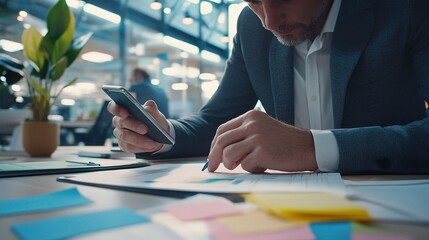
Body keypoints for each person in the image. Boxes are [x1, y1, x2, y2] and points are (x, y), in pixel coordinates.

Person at [108, 0, 429, 175]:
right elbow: (214, 122)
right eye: (254, 1)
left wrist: (311, 148)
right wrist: (162, 135)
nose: (270, 21)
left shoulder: (406, 9)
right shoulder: (251, 28)